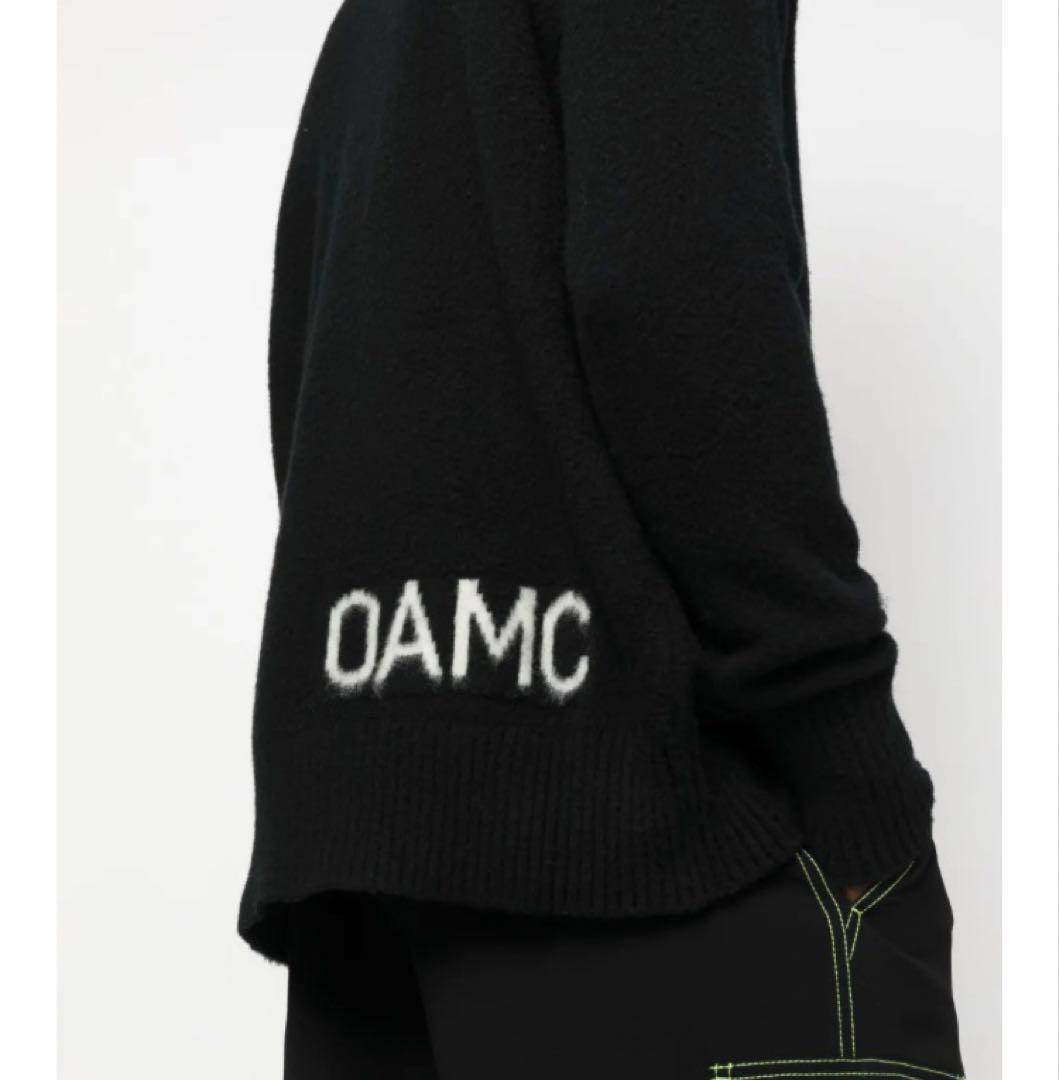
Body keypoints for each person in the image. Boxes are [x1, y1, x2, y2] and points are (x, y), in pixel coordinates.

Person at [240, 1, 965, 1077]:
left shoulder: (380, 25)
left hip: (374, 863)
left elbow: (315, 367)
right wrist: (852, 753)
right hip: (649, 844)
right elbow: (673, 288)